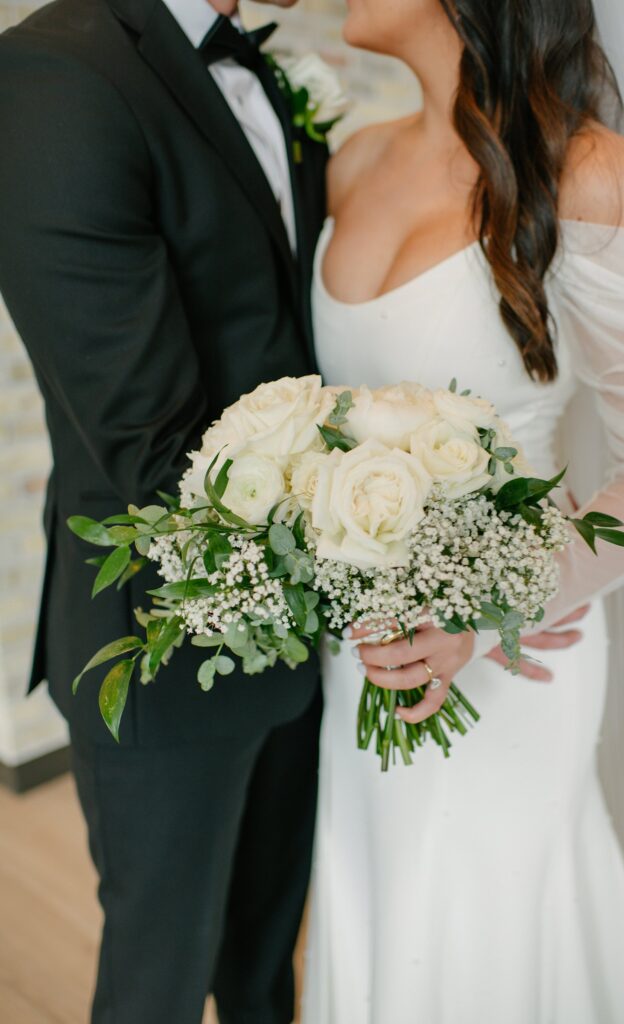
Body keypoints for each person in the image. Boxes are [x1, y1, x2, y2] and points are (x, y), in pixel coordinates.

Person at [303, 0, 624, 1021]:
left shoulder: (587, 172)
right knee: (383, 902)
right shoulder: (349, 162)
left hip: (517, 648)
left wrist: (493, 601)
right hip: (368, 647)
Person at [0, 0, 328, 1020]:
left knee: (267, 961)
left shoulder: (265, 72)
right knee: (158, 982)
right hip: (163, 639)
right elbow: (145, 441)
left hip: (303, 626)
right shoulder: (53, 78)